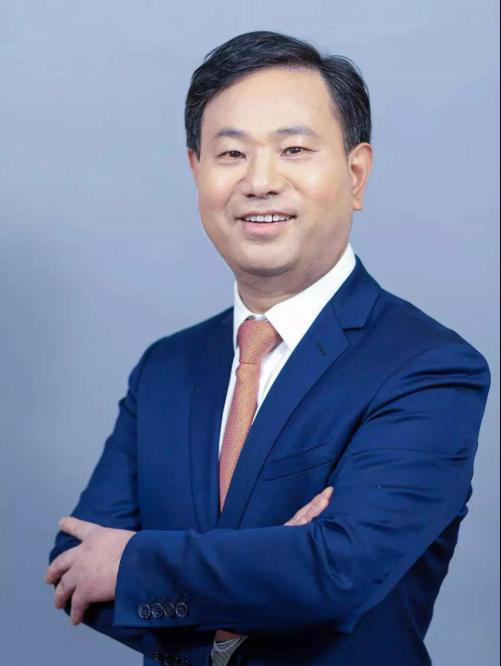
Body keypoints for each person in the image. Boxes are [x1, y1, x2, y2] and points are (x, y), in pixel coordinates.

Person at [46, 30, 491, 666]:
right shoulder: (166, 368)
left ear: (355, 174)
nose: (259, 181)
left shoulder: (429, 367)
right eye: (231, 154)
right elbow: (74, 565)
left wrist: (139, 569)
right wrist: (258, 595)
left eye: (294, 149)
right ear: (197, 171)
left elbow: (338, 572)